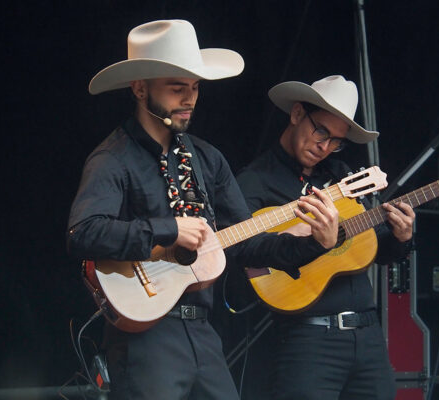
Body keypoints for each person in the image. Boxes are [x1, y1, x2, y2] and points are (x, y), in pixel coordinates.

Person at [66, 20, 339, 400]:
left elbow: (248, 243)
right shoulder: (113, 157)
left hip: (202, 332)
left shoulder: (207, 159)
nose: (190, 99)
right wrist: (168, 229)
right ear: (140, 87)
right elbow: (84, 233)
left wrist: (316, 245)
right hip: (146, 338)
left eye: (195, 88)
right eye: (177, 88)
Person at [235, 75, 416, 400]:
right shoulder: (256, 181)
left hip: (368, 337)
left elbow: (369, 245)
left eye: (336, 141)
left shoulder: (342, 175)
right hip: (308, 339)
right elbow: (245, 252)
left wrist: (401, 238)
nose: (325, 146)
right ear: (297, 114)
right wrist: (312, 242)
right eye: (321, 131)